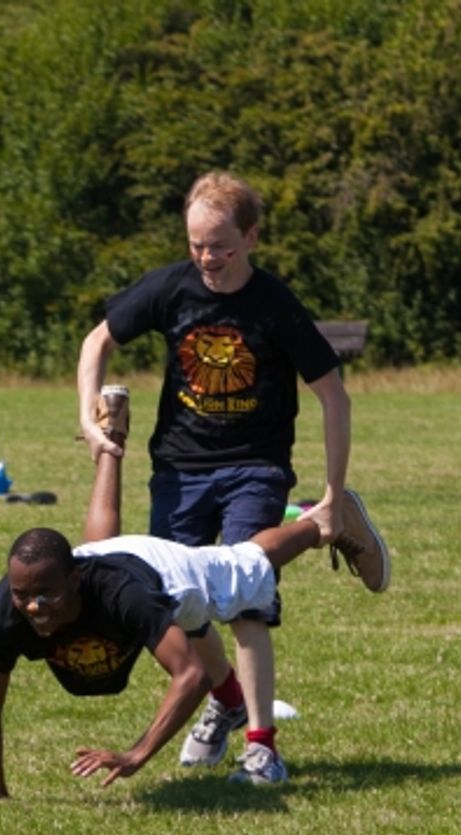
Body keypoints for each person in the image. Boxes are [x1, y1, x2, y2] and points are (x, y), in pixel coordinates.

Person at [76, 169, 380, 786]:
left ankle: (262, 747)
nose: (207, 259)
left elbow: (334, 397)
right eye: (197, 246)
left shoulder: (275, 304)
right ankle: (226, 699)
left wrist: (329, 492)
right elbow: (97, 341)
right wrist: (88, 415)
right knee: (180, 603)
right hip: (179, 470)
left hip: (255, 467)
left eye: (220, 246)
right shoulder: (171, 288)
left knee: (245, 598)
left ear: (252, 237)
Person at [0, 418, 388, 796]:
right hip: (103, 563)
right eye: (23, 595)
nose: (35, 607)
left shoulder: (127, 594)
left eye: (47, 595)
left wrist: (137, 755)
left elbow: (190, 675)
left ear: (73, 581)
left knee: (243, 563)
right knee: (98, 546)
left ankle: (325, 522)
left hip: (161, 569)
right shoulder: (8, 609)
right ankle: (113, 444)